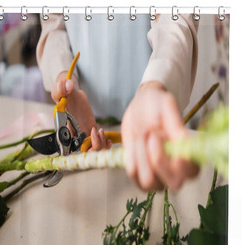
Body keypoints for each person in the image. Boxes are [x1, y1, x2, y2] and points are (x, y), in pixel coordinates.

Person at [36, 12, 199, 191]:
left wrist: (155, 84)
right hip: (84, 112)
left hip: (154, 117)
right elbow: (53, 25)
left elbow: (175, 16)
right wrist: (65, 79)